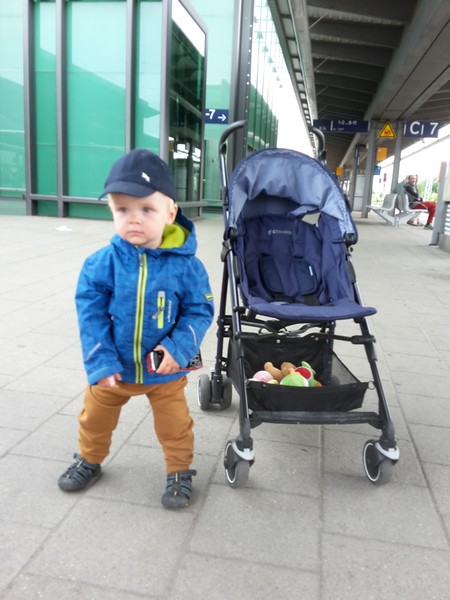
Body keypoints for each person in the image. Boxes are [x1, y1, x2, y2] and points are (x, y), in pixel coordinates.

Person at [57, 149, 214, 509]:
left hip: (165, 370)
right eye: (123, 209)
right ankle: (89, 459)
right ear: (111, 210)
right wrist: (100, 361)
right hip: (115, 368)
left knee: (175, 425)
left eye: (146, 209)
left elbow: (199, 310)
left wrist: (178, 348)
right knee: (94, 418)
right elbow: (91, 315)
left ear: (170, 213)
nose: (134, 220)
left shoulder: (188, 267)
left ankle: (179, 470)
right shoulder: (101, 264)